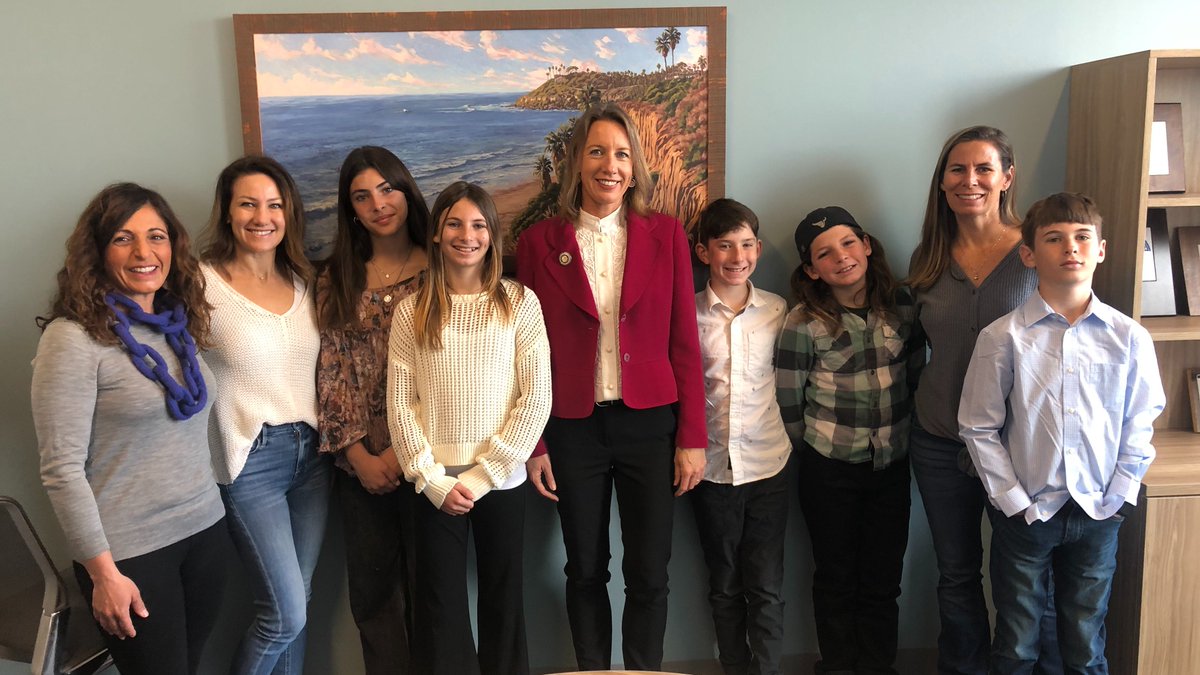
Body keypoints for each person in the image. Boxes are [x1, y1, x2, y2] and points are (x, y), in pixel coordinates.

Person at [517, 102, 706, 670]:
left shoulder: (664, 234)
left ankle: (644, 669)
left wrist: (691, 437)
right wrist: (536, 443)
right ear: (576, 161)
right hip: (572, 428)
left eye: (621, 154)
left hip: (650, 424)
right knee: (585, 568)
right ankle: (594, 670)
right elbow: (524, 355)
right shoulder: (537, 243)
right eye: (597, 151)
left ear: (635, 166)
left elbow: (684, 343)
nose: (610, 165)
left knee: (650, 570)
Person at [958, 192, 1164, 673]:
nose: (1070, 247)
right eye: (1053, 238)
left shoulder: (1129, 337)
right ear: (1029, 254)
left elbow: (1140, 419)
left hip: (1099, 511)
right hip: (1027, 514)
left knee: (1085, 639)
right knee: (1016, 640)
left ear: (1101, 249)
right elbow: (978, 425)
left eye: (1081, 237)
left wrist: (1120, 493)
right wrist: (1012, 500)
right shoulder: (1003, 336)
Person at [31, 183, 229, 675]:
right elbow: (61, 469)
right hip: (131, 555)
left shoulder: (179, 324)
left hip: (204, 531)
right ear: (97, 251)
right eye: (124, 238)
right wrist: (103, 573)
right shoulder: (72, 338)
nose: (144, 252)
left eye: (156, 236)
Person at [906, 126, 1060, 674]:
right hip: (939, 441)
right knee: (957, 573)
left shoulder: (1036, 251)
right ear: (942, 181)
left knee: (1026, 575)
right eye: (956, 169)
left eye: (983, 169)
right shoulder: (926, 259)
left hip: (1021, 448)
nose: (969, 180)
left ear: (1007, 178)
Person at [387, 181, 551, 675]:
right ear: (437, 233)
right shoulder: (411, 311)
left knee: (504, 598)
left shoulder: (520, 303)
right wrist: (432, 479)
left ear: (492, 234)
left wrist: (483, 476)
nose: (467, 235)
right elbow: (399, 406)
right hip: (433, 483)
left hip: (501, 480)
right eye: (454, 223)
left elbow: (536, 397)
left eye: (478, 224)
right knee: (441, 608)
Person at [777, 206, 924, 675]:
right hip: (830, 471)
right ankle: (839, 666)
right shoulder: (803, 323)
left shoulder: (901, 305)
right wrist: (823, 450)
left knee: (882, 581)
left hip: (891, 467)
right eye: (824, 253)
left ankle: (878, 666)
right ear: (811, 269)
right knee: (836, 579)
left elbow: (917, 374)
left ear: (866, 244)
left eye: (847, 243)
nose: (840, 257)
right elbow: (790, 402)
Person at [200, 156, 329, 675]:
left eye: (274, 205)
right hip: (248, 460)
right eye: (248, 204)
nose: (262, 216)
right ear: (228, 212)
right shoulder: (198, 284)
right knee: (284, 614)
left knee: (300, 602)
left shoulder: (304, 282)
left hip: (312, 460)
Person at [316, 146, 429, 674]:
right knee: (374, 597)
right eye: (362, 197)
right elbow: (331, 372)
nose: (378, 204)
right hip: (360, 466)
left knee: (434, 594)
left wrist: (413, 455)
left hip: (431, 460)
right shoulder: (338, 279)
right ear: (351, 210)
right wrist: (358, 454)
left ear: (406, 189)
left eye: (386, 189)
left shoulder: (446, 269)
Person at [691, 198, 791, 675]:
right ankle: (734, 667)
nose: (737, 256)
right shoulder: (686, 318)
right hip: (710, 473)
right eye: (725, 246)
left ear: (759, 247)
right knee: (725, 585)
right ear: (703, 251)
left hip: (770, 466)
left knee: (767, 587)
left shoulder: (778, 310)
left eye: (747, 244)